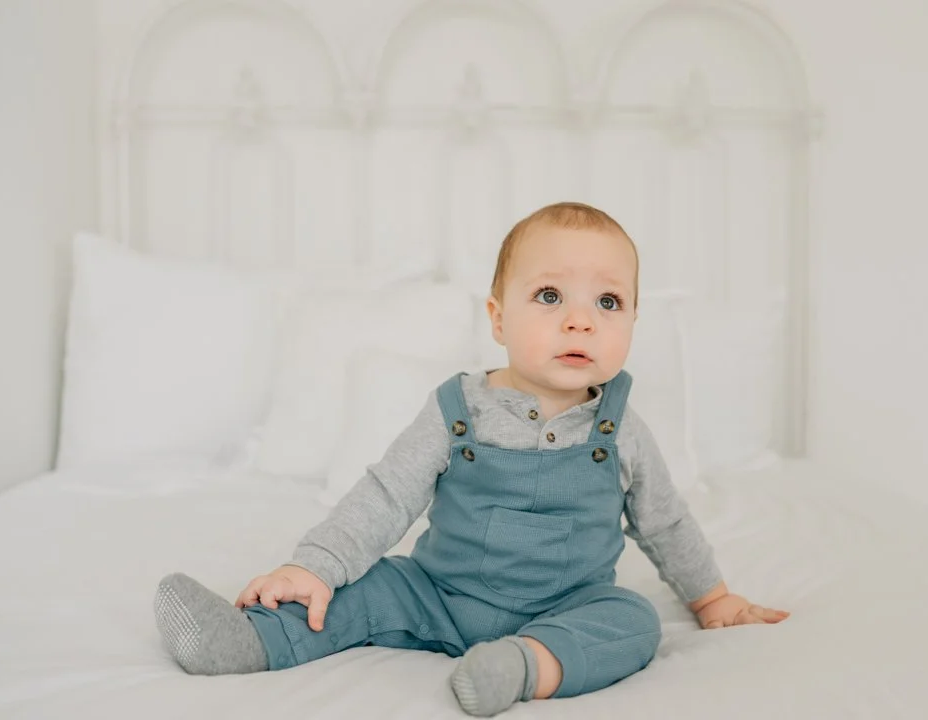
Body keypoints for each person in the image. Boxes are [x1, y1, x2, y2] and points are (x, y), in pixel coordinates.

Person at [153, 201, 790, 717]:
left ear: (631, 322)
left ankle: (524, 666)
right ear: (498, 318)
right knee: (364, 590)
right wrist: (313, 565)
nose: (580, 322)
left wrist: (712, 599)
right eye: (549, 296)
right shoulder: (457, 409)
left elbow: (665, 522)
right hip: (436, 593)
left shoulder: (620, 430)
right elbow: (386, 495)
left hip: (566, 605)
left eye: (607, 302)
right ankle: (251, 640)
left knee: (634, 623)